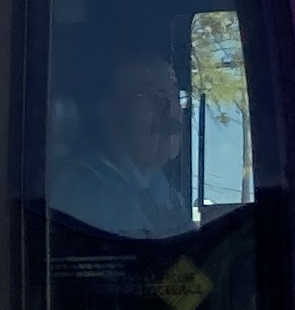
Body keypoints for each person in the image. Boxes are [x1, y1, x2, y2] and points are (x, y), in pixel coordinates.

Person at [53, 47, 194, 238]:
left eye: (173, 93)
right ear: (108, 111)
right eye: (148, 94)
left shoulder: (167, 193)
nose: (168, 107)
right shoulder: (77, 191)